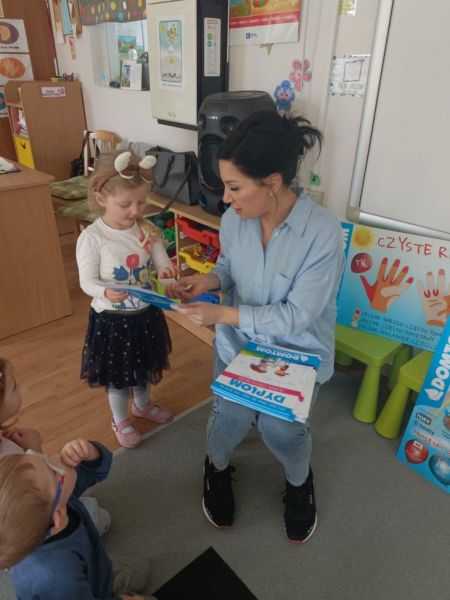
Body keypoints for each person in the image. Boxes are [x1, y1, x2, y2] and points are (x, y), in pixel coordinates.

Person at [167, 110, 345, 543]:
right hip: (238, 344)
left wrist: (221, 315)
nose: (227, 199)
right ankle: (216, 468)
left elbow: (296, 315)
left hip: (297, 350)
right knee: (228, 416)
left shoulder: (322, 233)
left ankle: (300, 482)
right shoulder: (235, 220)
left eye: (234, 187)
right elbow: (229, 267)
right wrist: (207, 281)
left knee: (280, 427)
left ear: (272, 182)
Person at [76, 151, 178, 449]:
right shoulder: (92, 237)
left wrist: (168, 276)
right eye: (125, 204)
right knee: (118, 377)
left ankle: (142, 406)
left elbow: (161, 262)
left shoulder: (146, 229)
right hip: (112, 321)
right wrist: (105, 292)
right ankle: (120, 419)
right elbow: (87, 282)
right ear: (101, 199)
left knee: (144, 368)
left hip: (145, 315)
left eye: (141, 202)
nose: (135, 211)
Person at [0, 438, 152, 600]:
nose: (55, 457)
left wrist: (91, 452)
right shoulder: (59, 578)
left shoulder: (54, 503)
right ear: (57, 517)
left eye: (40, 456)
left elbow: (95, 472)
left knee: (139, 568)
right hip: (81, 584)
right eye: (52, 469)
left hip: (89, 565)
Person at [0, 356, 111, 536]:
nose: (18, 386)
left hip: (49, 498)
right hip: (43, 519)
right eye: (13, 388)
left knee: (76, 481)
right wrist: (36, 451)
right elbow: (33, 509)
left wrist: (34, 449)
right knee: (101, 518)